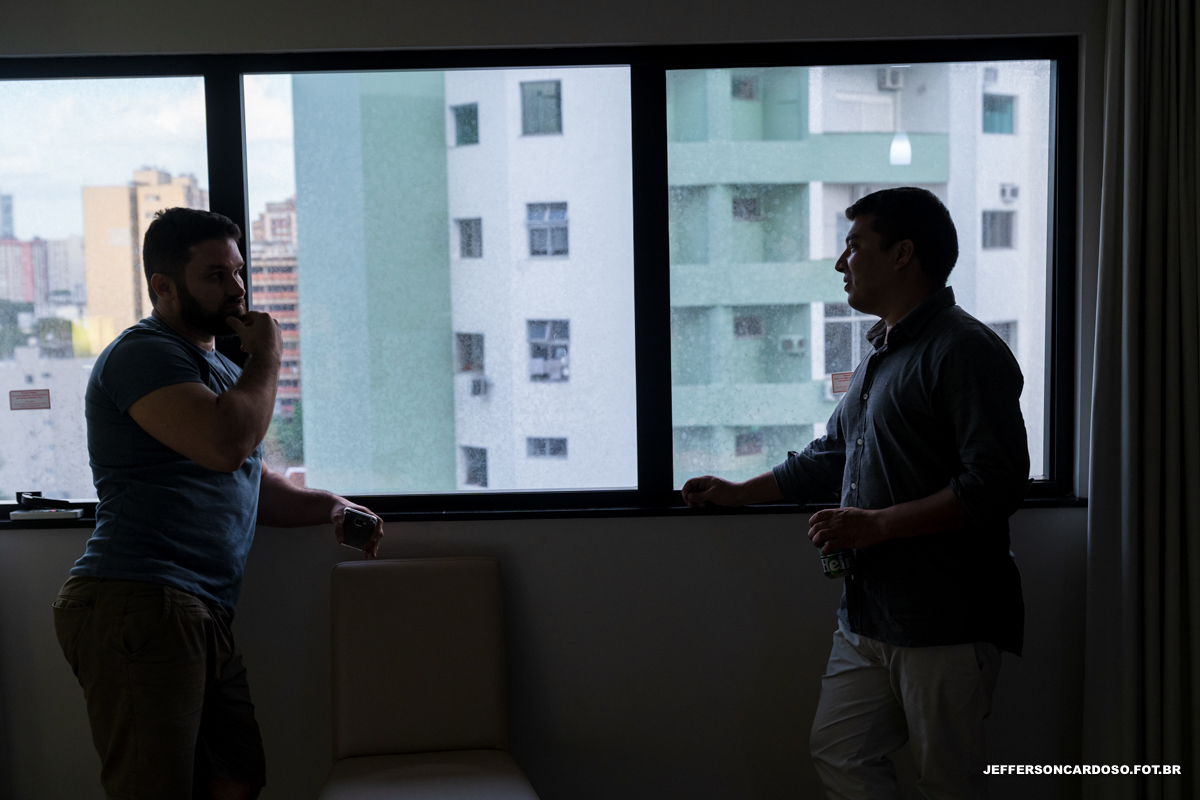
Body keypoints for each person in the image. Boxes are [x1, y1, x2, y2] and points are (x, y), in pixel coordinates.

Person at [682, 187, 1029, 799]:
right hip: (867, 616)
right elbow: (831, 456)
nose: (841, 263)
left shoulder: (964, 350)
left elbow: (996, 484)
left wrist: (875, 527)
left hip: (946, 620)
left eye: (853, 246)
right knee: (838, 750)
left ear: (901, 254)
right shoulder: (877, 356)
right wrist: (739, 493)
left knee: (949, 783)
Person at [53, 208, 385, 800]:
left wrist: (330, 507)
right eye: (214, 276)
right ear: (163, 286)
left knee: (235, 779)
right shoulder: (144, 354)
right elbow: (226, 445)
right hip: (139, 598)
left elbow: (251, 481)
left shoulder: (222, 369)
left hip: (198, 608)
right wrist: (270, 354)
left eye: (238, 272)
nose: (236, 290)